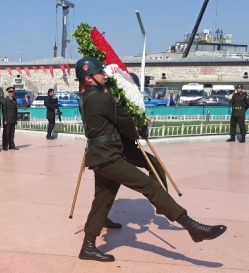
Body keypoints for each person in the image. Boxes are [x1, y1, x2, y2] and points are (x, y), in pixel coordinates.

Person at [74, 57, 227, 262]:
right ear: (89, 78)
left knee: (103, 199)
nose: (104, 75)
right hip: (109, 157)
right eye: (100, 72)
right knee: (150, 187)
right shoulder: (103, 99)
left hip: (100, 155)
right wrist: (138, 130)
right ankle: (191, 226)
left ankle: (88, 247)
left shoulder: (85, 99)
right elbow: (125, 121)